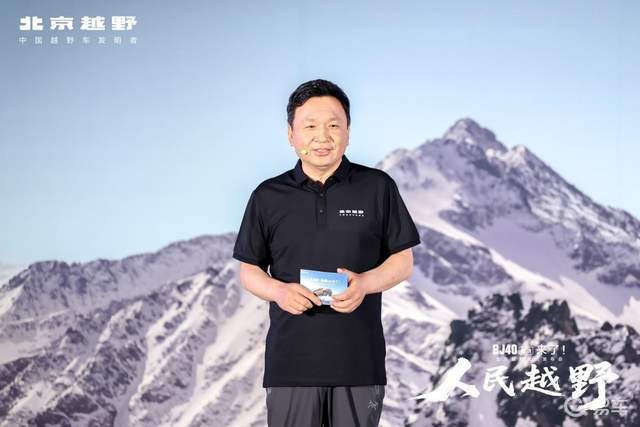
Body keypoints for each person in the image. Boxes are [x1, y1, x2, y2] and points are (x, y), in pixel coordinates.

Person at [232, 79, 421, 426]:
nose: (322, 136)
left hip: (359, 365)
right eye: (310, 126)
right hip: (290, 367)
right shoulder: (268, 196)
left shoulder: (377, 187)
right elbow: (249, 270)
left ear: (348, 132)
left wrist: (364, 284)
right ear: (291, 135)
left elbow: (402, 261)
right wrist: (279, 291)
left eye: (334, 125)